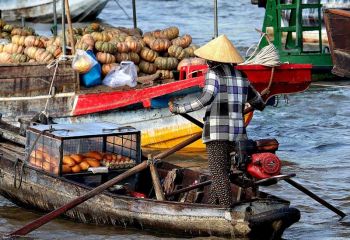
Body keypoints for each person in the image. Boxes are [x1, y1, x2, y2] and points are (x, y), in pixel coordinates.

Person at [169, 35, 265, 207]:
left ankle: (228, 210)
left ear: (213, 60)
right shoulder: (242, 76)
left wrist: (178, 108)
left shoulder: (213, 74)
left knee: (219, 174)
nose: (206, 62)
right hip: (238, 135)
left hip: (216, 132)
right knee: (224, 173)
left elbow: (205, 99)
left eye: (208, 60)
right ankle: (213, 207)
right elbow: (258, 102)